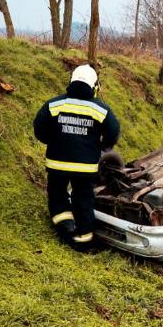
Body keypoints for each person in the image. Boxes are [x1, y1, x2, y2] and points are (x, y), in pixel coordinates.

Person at [33, 65, 120, 251]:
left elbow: (39, 127)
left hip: (57, 165)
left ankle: (66, 226)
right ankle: (84, 238)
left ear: (71, 82)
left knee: (57, 195)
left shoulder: (54, 104)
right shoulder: (100, 109)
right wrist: (104, 146)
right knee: (83, 199)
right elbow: (113, 131)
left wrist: (50, 140)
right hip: (85, 168)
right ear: (94, 87)